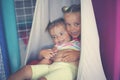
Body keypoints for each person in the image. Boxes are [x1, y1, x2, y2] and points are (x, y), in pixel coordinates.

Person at [8, 18, 80, 80]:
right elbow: (42, 58)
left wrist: (78, 54)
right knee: (25, 70)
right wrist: (42, 53)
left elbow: (87, 55)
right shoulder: (56, 46)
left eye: (61, 34)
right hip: (51, 67)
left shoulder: (76, 43)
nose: (58, 38)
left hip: (66, 70)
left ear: (69, 31)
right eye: (54, 37)